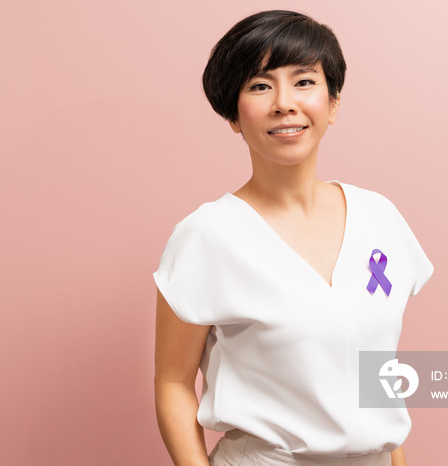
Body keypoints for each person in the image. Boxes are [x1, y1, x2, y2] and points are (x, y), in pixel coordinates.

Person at [153, 9, 433, 466]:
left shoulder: (379, 217)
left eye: (304, 82)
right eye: (260, 86)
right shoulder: (206, 236)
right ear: (233, 115)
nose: (285, 102)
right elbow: (173, 384)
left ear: (333, 103)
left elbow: (372, 370)